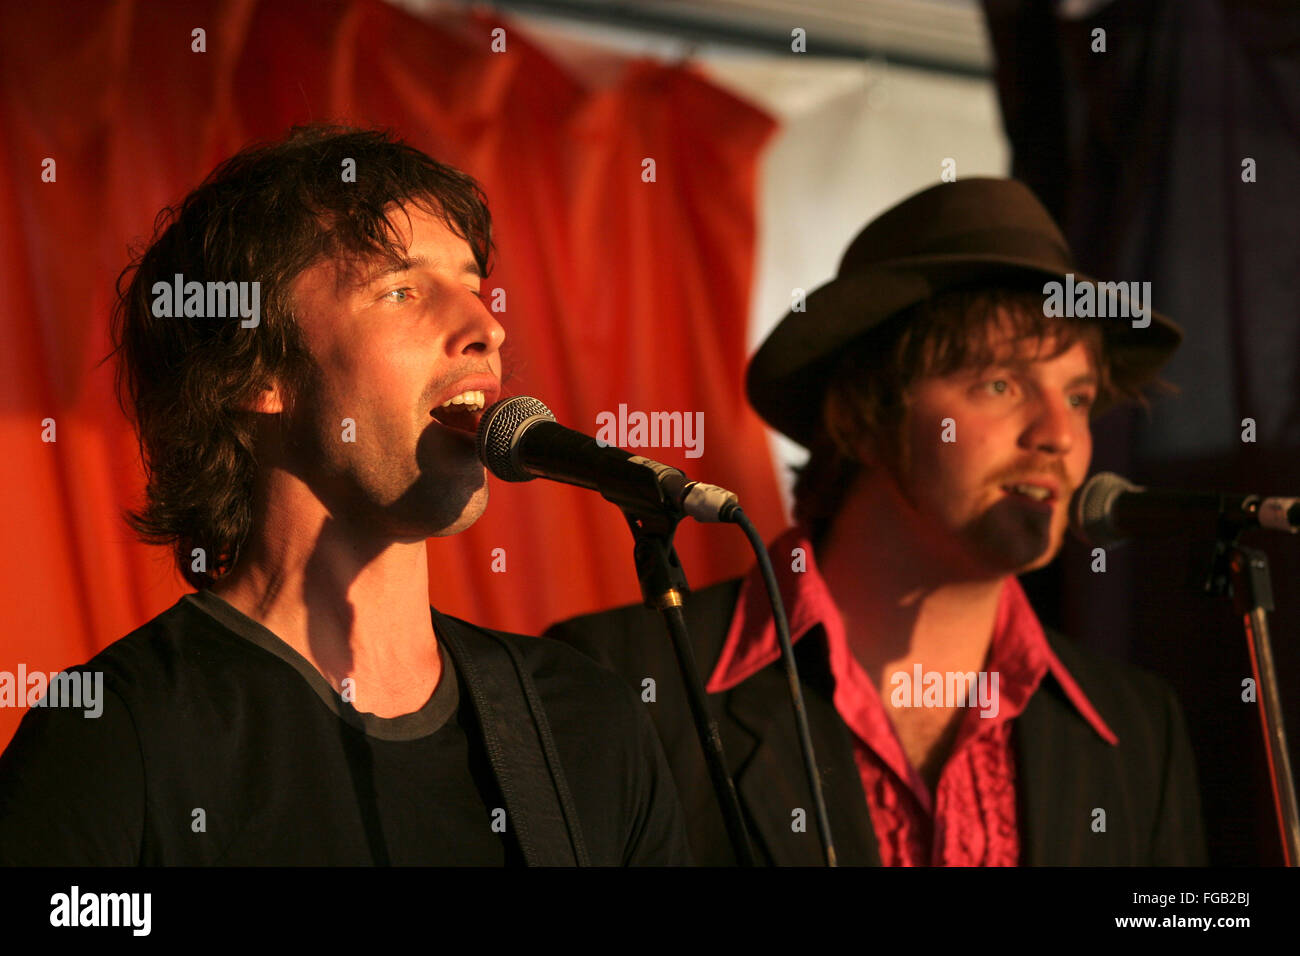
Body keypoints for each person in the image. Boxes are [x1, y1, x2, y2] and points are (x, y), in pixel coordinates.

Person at [0, 124, 689, 866]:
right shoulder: (116, 736)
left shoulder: (583, 721)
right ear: (252, 372)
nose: (486, 327)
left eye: (472, 286)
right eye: (401, 289)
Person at [545, 178, 1208, 865]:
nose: (1059, 434)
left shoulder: (1136, 725)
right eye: (1001, 385)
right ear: (866, 414)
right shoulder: (617, 680)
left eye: (1078, 396)